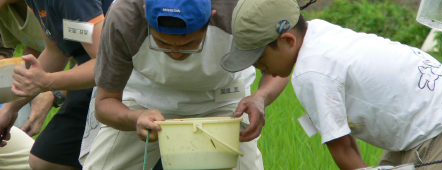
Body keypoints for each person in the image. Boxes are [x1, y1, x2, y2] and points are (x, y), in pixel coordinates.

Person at [220, 0, 442, 169]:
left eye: (260, 58)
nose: (258, 68)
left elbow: (343, 151)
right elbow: (346, 142)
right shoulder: (319, 34)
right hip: (428, 118)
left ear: (287, 40)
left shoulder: (311, 72)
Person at [84, 0, 289, 169]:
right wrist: (134, 118)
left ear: (211, 17)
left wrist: (260, 97)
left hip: (223, 100)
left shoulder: (240, 9)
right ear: (145, 15)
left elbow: (281, 65)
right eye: (162, 44)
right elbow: (105, 102)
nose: (175, 54)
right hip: (144, 101)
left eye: (189, 45)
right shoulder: (124, 15)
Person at [0, 0, 110, 169]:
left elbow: (105, 62)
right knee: (44, 161)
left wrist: (48, 83)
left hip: (130, 76)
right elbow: (55, 50)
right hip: (96, 71)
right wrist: (9, 109)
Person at [0, 0, 57, 137]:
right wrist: (11, 105)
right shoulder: (5, 9)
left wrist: (53, 93)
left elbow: (96, 57)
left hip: (104, 83)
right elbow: (36, 44)